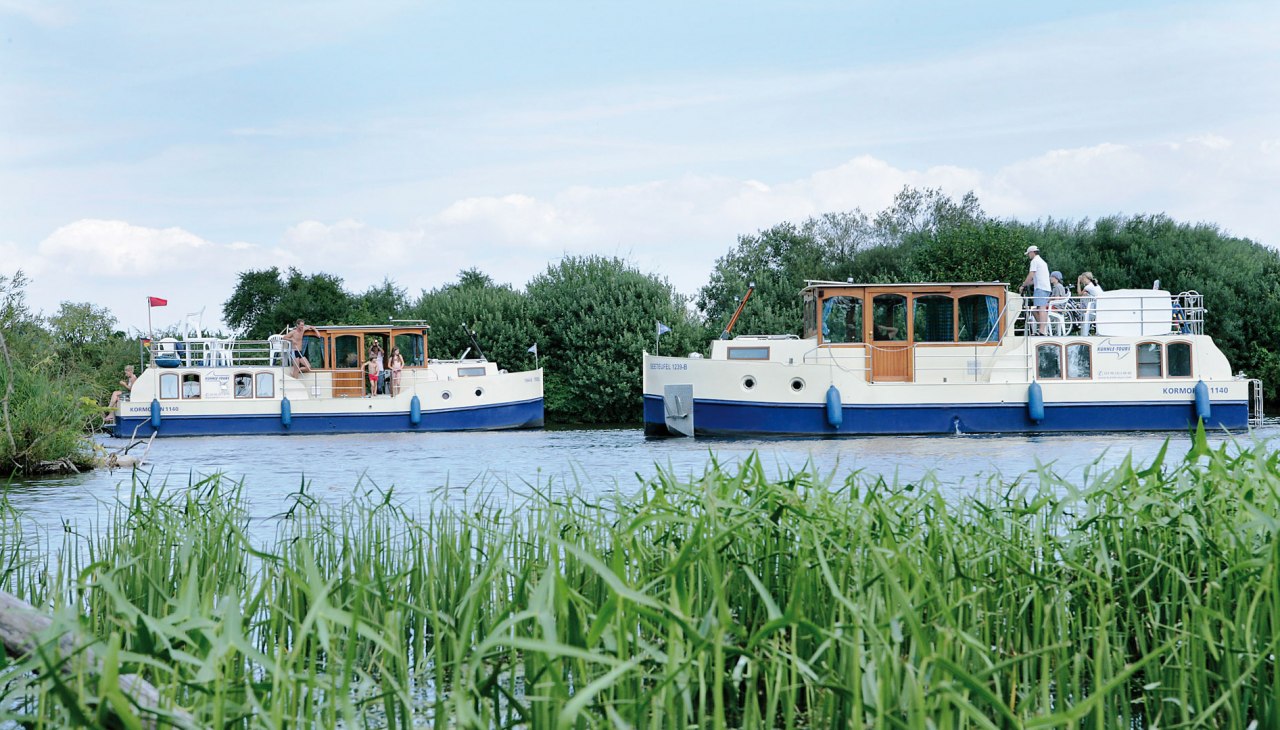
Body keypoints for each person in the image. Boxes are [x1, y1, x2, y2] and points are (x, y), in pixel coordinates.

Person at [1021, 245, 1051, 334]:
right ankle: (1043, 329)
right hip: (1045, 288)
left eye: (1028, 254)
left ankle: (1042, 331)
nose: (1028, 256)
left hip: (1040, 288)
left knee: (1041, 308)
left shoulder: (1035, 261)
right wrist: (1026, 284)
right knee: (1038, 309)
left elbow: (1031, 275)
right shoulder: (1042, 262)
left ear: (1032, 252)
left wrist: (1023, 286)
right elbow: (1036, 279)